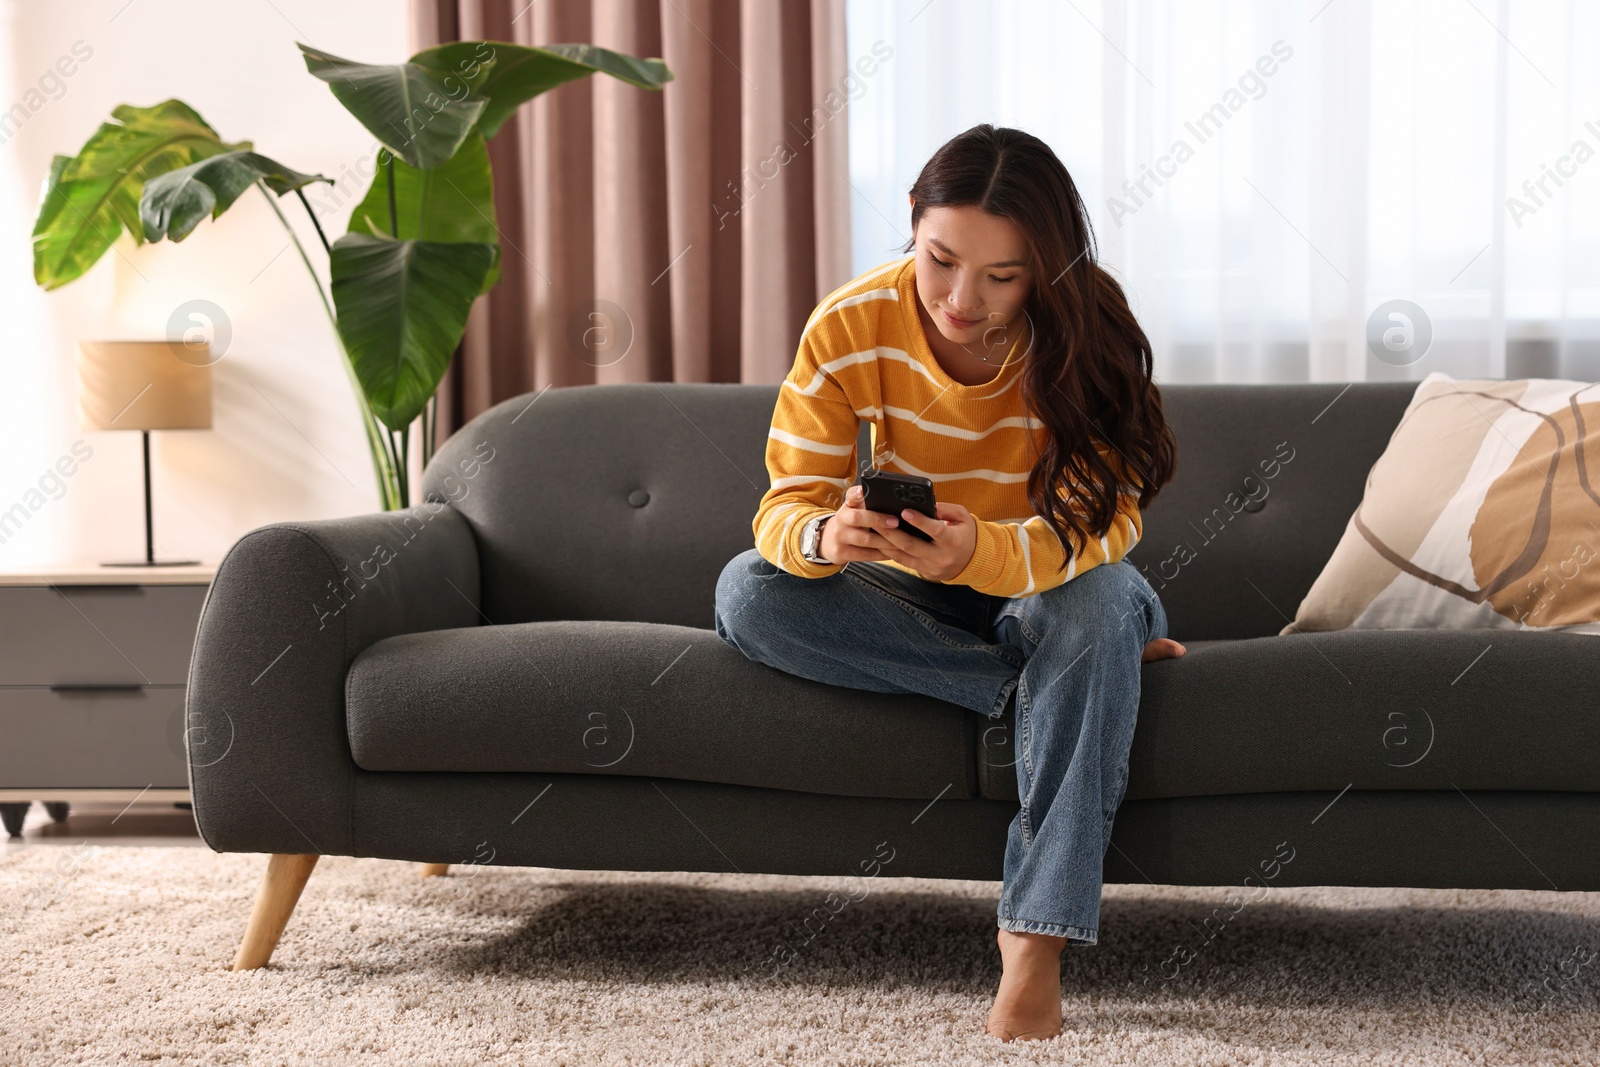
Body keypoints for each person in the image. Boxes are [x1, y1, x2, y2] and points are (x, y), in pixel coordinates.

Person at [712, 124, 1185, 1042]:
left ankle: (1033, 944)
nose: (963, 299)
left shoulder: (1086, 331)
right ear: (914, 225)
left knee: (1088, 611)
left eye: (1003, 276)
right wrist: (829, 532)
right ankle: (1080, 686)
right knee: (746, 591)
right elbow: (782, 513)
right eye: (940, 260)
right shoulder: (850, 325)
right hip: (916, 601)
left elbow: (1103, 525)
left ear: (1043, 267)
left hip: (1061, 587)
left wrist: (983, 556)